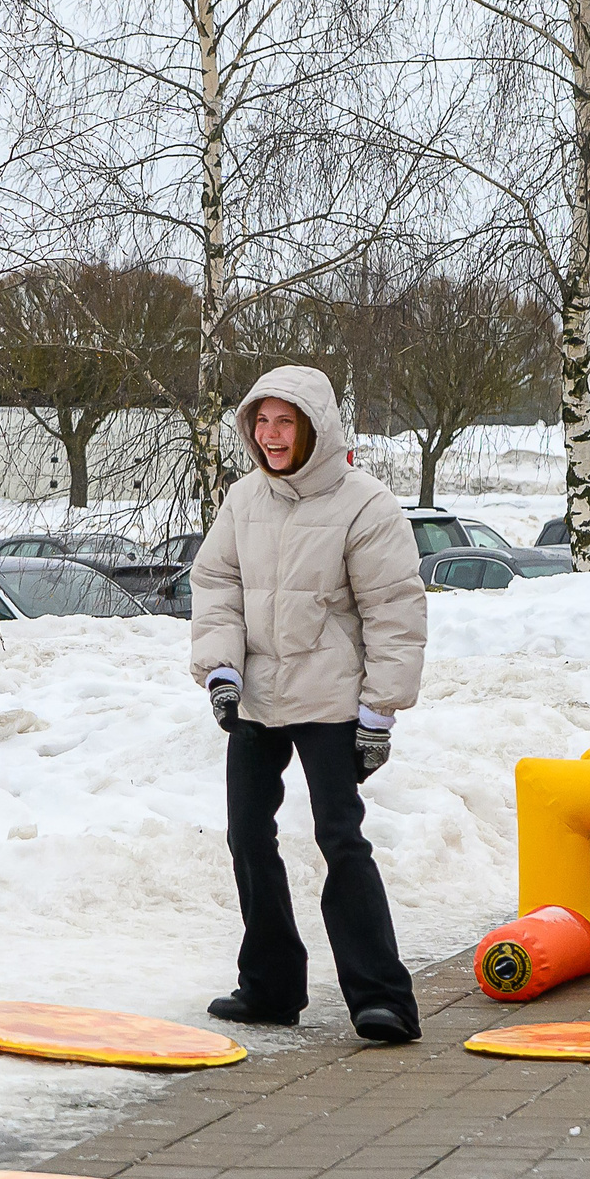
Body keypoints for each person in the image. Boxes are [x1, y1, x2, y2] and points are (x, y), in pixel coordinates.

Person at [189, 365, 427, 1045]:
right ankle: (270, 986)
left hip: (332, 699)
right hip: (257, 697)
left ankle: (382, 999)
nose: (271, 436)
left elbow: (394, 612)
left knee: (340, 840)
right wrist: (222, 671)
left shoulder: (364, 504)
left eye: (284, 422)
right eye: (261, 422)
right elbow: (217, 584)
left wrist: (380, 713)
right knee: (247, 836)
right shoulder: (243, 500)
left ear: (314, 427)